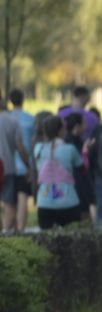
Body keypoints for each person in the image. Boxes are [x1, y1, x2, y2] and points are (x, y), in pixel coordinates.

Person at [32, 114, 84, 229]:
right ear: (61, 130)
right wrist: (85, 152)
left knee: (46, 243)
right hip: (69, 203)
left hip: (44, 204)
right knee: (73, 240)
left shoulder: (38, 148)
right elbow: (83, 169)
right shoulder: (70, 149)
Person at [0, 94, 32, 232]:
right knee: (9, 205)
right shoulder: (12, 122)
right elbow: (20, 148)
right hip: (7, 168)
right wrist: (28, 166)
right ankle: (5, 236)